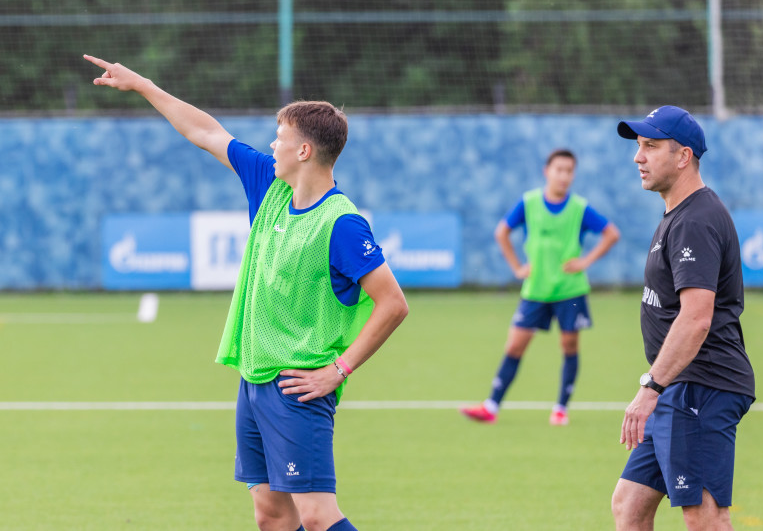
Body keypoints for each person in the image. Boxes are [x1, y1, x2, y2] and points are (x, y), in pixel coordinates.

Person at [85, 54, 408, 531]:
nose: (272, 144)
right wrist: (144, 86)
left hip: (298, 384)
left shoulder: (342, 223)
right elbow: (206, 132)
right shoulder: (269, 186)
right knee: (272, 516)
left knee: (317, 516)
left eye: (280, 137)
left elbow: (394, 303)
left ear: (304, 151)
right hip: (254, 378)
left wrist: (338, 370)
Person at [612, 106, 755, 531]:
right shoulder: (680, 214)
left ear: (683, 156)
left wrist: (650, 387)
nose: (638, 157)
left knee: (705, 516)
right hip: (680, 385)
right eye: (639, 146)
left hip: (702, 385)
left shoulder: (695, 220)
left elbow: (696, 318)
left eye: (650, 146)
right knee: (630, 505)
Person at [460, 149, 620, 425]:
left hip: (570, 290)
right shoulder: (529, 203)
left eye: (569, 171)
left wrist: (585, 261)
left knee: (569, 345)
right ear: (547, 171)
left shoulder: (579, 208)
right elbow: (501, 232)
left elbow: (611, 233)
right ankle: (491, 406)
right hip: (535, 289)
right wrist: (517, 268)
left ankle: (561, 408)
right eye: (559, 169)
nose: (564, 176)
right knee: (515, 345)